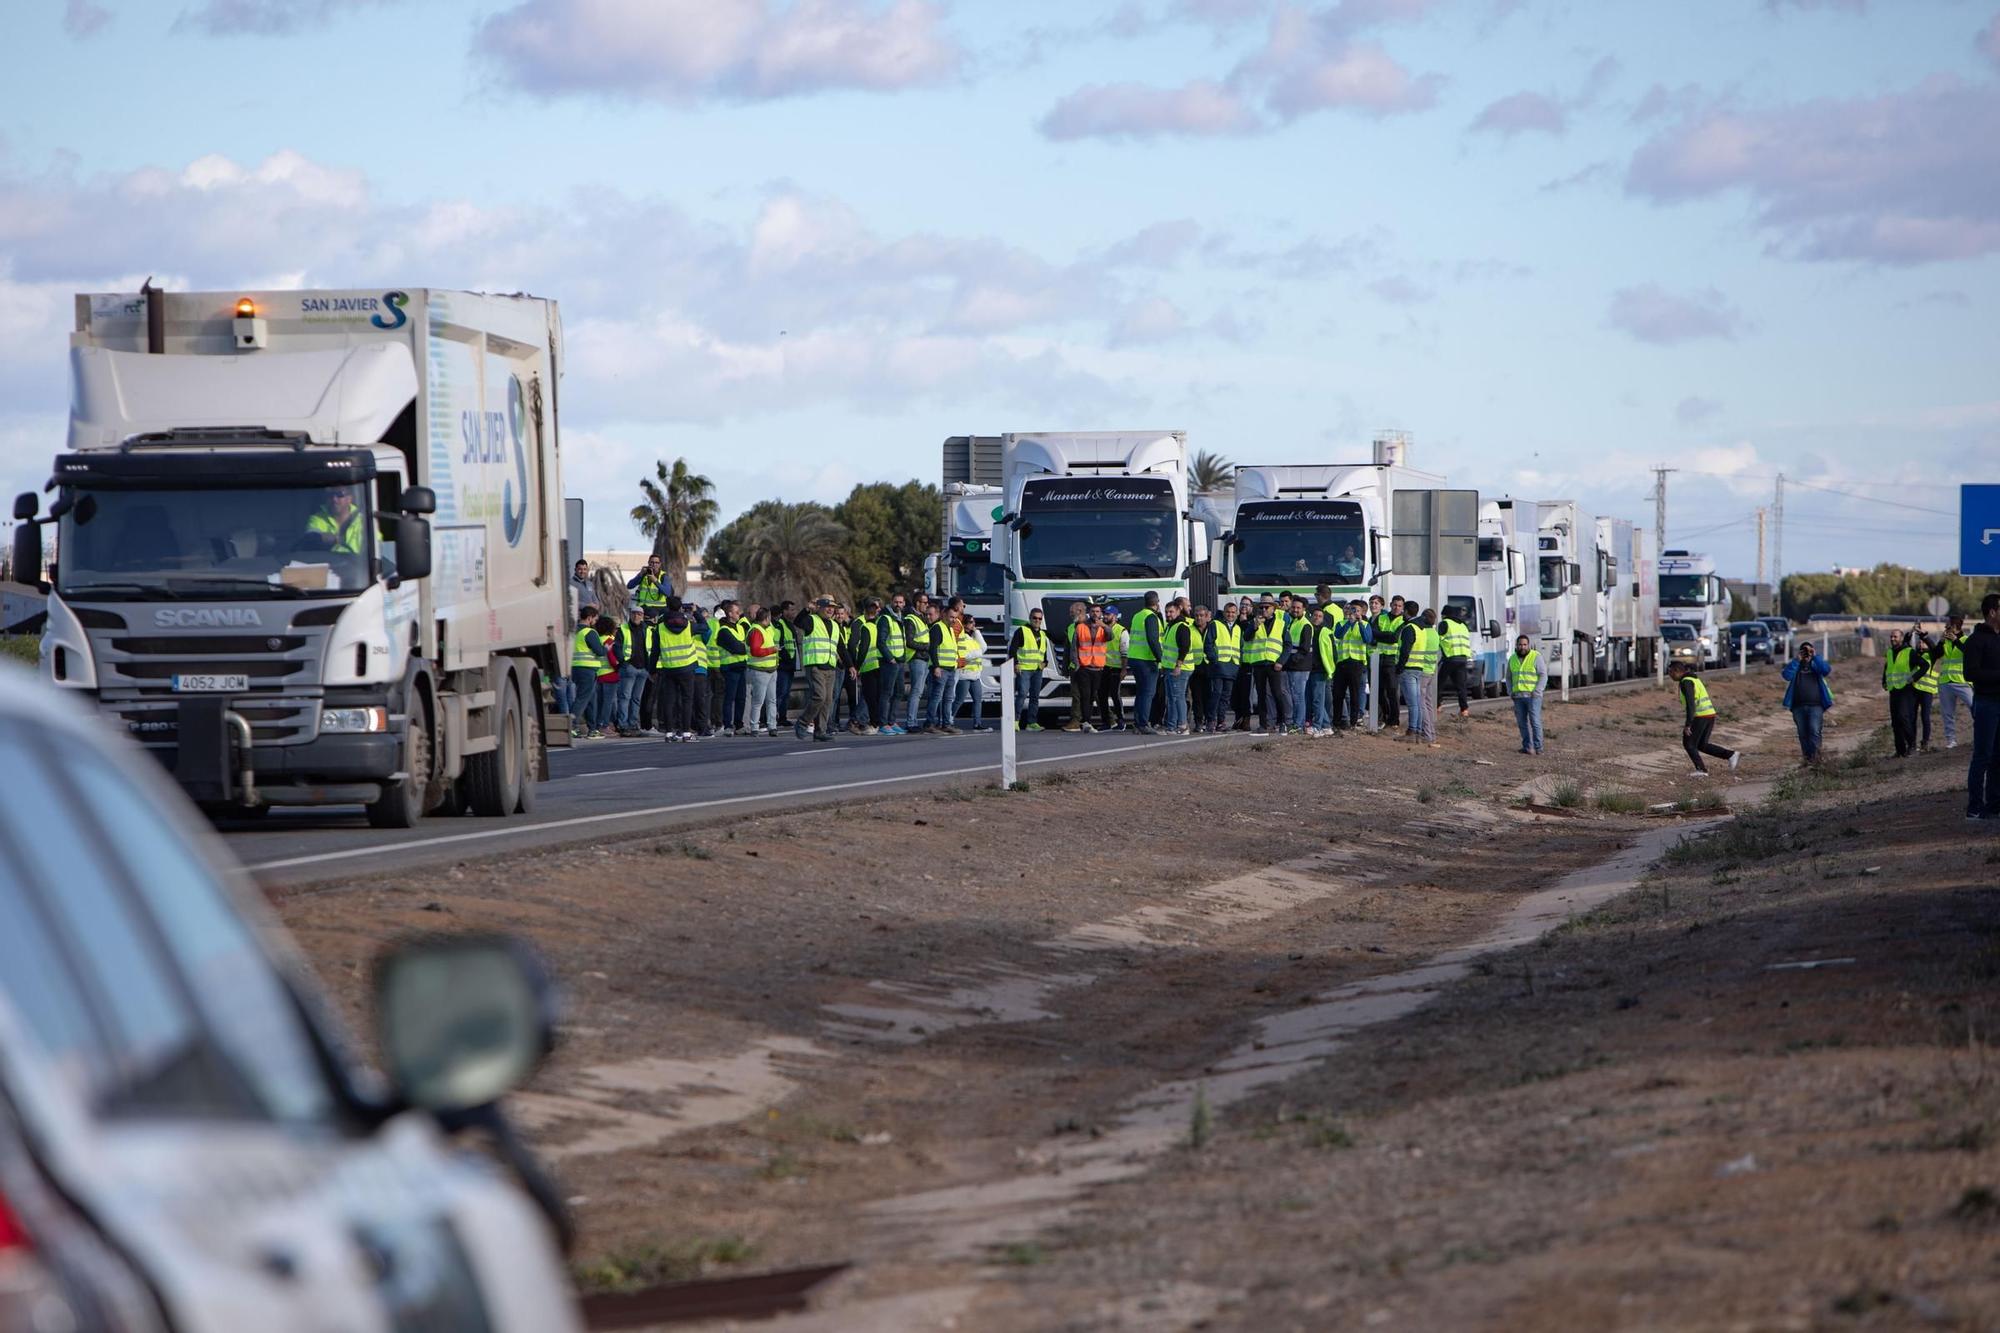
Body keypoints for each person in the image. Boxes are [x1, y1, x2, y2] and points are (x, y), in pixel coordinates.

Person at [1964, 592, 2000, 820]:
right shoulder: (1976, 641)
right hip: (1986, 703)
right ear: (1992, 612)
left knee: (1999, 756)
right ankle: (1975, 807)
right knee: (1983, 755)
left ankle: (1995, 805)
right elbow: (1971, 673)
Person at [1670, 661, 1738, 778]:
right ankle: (1730, 755)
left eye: (1670, 672)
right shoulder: (1694, 679)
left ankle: (1701, 770)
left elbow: (1691, 704)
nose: (1669, 675)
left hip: (1700, 716)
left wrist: (1688, 724)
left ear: (1677, 671)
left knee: (1689, 743)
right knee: (1701, 745)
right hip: (1709, 714)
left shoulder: (1686, 682)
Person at [1780, 639, 1832, 767]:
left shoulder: (1816, 665)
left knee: (1814, 731)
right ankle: (1807, 760)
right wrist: (1797, 660)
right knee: (1803, 734)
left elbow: (1826, 670)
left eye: (1809, 651)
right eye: (1804, 651)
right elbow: (1786, 675)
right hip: (1798, 706)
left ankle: (1816, 760)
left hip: (1816, 705)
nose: (1807, 654)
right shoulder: (1796, 666)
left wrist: (1815, 657)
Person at [656, 600, 701, 741]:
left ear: (667, 607)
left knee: (669, 701)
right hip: (687, 667)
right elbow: (705, 627)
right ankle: (686, 732)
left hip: (669, 668)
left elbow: (655, 651)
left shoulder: (660, 627)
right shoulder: (689, 625)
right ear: (681, 608)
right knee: (687, 700)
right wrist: (696, 612)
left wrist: (652, 669)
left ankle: (669, 732)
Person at [1397, 603, 1440, 747]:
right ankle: (1427, 733)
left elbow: (1406, 650)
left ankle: (1420, 732)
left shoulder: (1415, 629)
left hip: (1416, 669)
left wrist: (1399, 667)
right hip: (1426, 669)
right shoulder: (1431, 632)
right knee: (1424, 703)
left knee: (1417, 703)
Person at [613, 602, 658, 735]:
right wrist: (624, 663)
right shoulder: (624, 629)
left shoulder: (648, 630)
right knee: (625, 697)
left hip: (643, 669)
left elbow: (653, 648)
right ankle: (623, 725)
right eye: (634, 614)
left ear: (643, 616)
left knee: (636, 699)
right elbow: (617, 647)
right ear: (630, 615)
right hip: (629, 668)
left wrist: (650, 667)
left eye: (639, 614)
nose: (636, 616)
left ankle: (633, 725)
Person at [1882, 628, 1928, 759]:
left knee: (1904, 718)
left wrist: (1914, 678)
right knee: (1895, 722)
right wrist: (1884, 681)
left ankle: (1912, 746)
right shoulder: (1890, 652)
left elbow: (1924, 665)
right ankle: (1900, 750)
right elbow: (1887, 668)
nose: (1892, 639)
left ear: (1901, 638)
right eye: (1891, 636)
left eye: (1895, 637)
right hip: (1893, 690)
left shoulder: (1909, 652)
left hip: (1906, 690)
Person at [1127, 592, 1164, 736]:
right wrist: (1161, 659)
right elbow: (1153, 640)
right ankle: (1143, 723)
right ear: (1156, 603)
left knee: (1141, 692)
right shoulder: (1151, 617)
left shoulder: (1138, 615)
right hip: (1147, 660)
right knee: (1148, 693)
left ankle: (1138, 723)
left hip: (1135, 658)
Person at [1934, 614, 1975, 749]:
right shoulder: (1945, 641)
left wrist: (1956, 641)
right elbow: (1935, 654)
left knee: (1975, 708)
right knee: (1947, 713)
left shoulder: (1966, 639)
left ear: (1955, 627)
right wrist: (1940, 641)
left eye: (1947, 626)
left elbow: (1969, 653)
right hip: (1946, 682)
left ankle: (1979, 736)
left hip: (1962, 682)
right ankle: (1951, 740)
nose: (1945, 628)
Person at [1330, 600, 1370, 731]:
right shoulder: (1341, 623)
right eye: (1352, 610)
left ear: (1361, 612)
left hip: (1356, 663)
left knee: (1355, 694)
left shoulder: (1365, 624)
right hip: (1342, 662)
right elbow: (1338, 634)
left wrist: (1359, 623)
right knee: (1338, 694)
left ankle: (1353, 721)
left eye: (1357, 611)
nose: (1354, 613)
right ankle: (1337, 721)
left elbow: (1367, 639)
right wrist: (1349, 622)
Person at [569, 606, 608, 739]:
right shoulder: (589, 633)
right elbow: (600, 651)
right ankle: (571, 726)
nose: (595, 622)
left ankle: (593, 729)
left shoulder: (573, 632)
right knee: (582, 698)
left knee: (591, 699)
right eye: (595, 619)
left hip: (576, 668)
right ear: (590, 618)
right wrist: (606, 648)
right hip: (587, 669)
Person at [1010, 607, 1050, 731]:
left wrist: (1045, 662)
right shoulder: (1022, 630)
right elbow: (1013, 649)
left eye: (1039, 618)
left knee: (1035, 696)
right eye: (1035, 618)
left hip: (1037, 670)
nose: (1037, 620)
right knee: (1021, 694)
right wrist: (1015, 664)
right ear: (1030, 618)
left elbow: (1043, 651)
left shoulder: (1043, 633)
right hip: (1025, 669)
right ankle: (1015, 721)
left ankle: (1031, 723)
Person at [744, 604, 781, 736]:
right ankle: (754, 726)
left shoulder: (766, 629)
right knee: (758, 701)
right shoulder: (756, 630)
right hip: (760, 670)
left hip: (771, 669)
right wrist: (773, 650)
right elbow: (755, 651)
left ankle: (772, 726)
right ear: (767, 618)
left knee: (771, 700)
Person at [1371, 595, 1406, 729]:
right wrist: (1386, 635)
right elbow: (1373, 633)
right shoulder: (1381, 617)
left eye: (1399, 606)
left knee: (1392, 691)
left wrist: (1382, 635)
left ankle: (1394, 720)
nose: (1396, 608)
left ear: (1402, 607)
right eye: (1395, 605)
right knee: (1379, 691)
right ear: (1390, 605)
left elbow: (1394, 638)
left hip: (1392, 659)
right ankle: (1385, 717)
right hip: (1379, 657)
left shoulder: (1403, 620)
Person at [1205, 602, 1241, 733]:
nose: (1230, 614)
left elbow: (1240, 646)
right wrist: (1214, 659)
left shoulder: (1237, 628)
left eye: (1233, 612)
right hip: (1218, 666)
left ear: (1236, 614)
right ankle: (1211, 720)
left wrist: (1239, 662)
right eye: (1228, 612)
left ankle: (1221, 721)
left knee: (1226, 696)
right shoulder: (1216, 624)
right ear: (1224, 612)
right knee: (1216, 693)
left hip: (1232, 666)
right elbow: (1208, 643)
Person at [1507, 634, 1545, 756]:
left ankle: (1538, 747)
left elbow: (1543, 675)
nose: (1522, 647)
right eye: (1520, 644)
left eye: (1524, 644)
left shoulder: (1536, 657)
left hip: (1533, 696)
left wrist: (1538, 691)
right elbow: (1508, 677)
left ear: (1528, 645)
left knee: (1535, 721)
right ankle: (1528, 747)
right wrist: (1510, 691)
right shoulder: (1512, 659)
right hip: (1518, 696)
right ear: (1516, 646)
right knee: (1522, 723)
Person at [924, 607, 960, 734]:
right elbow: (933, 649)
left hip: (950, 669)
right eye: (951, 617)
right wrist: (936, 666)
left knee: (948, 698)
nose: (954, 620)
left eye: (955, 618)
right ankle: (930, 723)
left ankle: (946, 724)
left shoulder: (949, 628)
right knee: (936, 697)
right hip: (941, 669)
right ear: (944, 615)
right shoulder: (937, 628)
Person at [1159, 602, 1193, 734]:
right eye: (1167, 612)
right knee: (1172, 697)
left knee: (1178, 697)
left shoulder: (1181, 627)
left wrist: (1178, 665)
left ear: (1178, 611)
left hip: (1180, 668)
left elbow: (1184, 647)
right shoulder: (1170, 626)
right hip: (1170, 667)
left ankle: (1183, 725)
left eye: (1171, 612)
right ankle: (1171, 727)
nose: (1168, 614)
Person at [1281, 596, 1313, 735]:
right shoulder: (1291, 622)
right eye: (1293, 607)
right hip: (1292, 665)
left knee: (1299, 696)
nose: (1295, 609)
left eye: (1298, 608)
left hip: (1300, 666)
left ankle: (1298, 724)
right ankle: (1295, 722)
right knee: (1294, 695)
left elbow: (1305, 648)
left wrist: (1291, 660)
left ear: (1304, 609)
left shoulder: (1305, 624)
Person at [304, 485, 365, 555]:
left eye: (339, 494)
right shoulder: (317, 519)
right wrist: (321, 538)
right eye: (330, 495)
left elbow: (377, 546)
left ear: (349, 498)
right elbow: (310, 539)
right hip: (327, 564)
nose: (334, 499)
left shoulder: (365, 522)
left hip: (358, 565)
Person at [1438, 606, 1474, 718]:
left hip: (1450, 657)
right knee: (1461, 686)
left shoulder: (1445, 623)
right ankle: (1464, 710)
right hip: (1463, 658)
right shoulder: (1463, 625)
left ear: (1445, 615)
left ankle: (1437, 705)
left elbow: (1438, 638)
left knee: (1439, 683)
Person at [955, 615, 988, 731]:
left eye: (974, 622)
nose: (973, 625)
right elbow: (965, 656)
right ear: (964, 624)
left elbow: (984, 647)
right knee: (959, 700)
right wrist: (978, 653)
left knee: (978, 699)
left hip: (975, 674)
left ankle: (977, 723)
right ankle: (948, 720)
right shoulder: (962, 637)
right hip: (965, 674)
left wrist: (977, 632)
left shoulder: (974, 637)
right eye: (970, 622)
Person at [689, 602, 714, 739]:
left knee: (700, 701)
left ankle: (702, 727)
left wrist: (696, 613)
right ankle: (694, 726)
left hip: (699, 670)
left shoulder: (701, 632)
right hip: (688, 669)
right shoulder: (684, 628)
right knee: (690, 701)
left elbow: (707, 629)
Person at [1100, 606, 1127, 731]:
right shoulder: (1101, 629)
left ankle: (1121, 720)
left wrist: (1123, 669)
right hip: (1102, 667)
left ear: (1115, 617)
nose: (1105, 616)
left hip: (1115, 668)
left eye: (1108, 614)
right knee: (1102, 695)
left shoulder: (1121, 631)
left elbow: (1124, 652)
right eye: (1104, 614)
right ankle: (1107, 722)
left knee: (1115, 694)